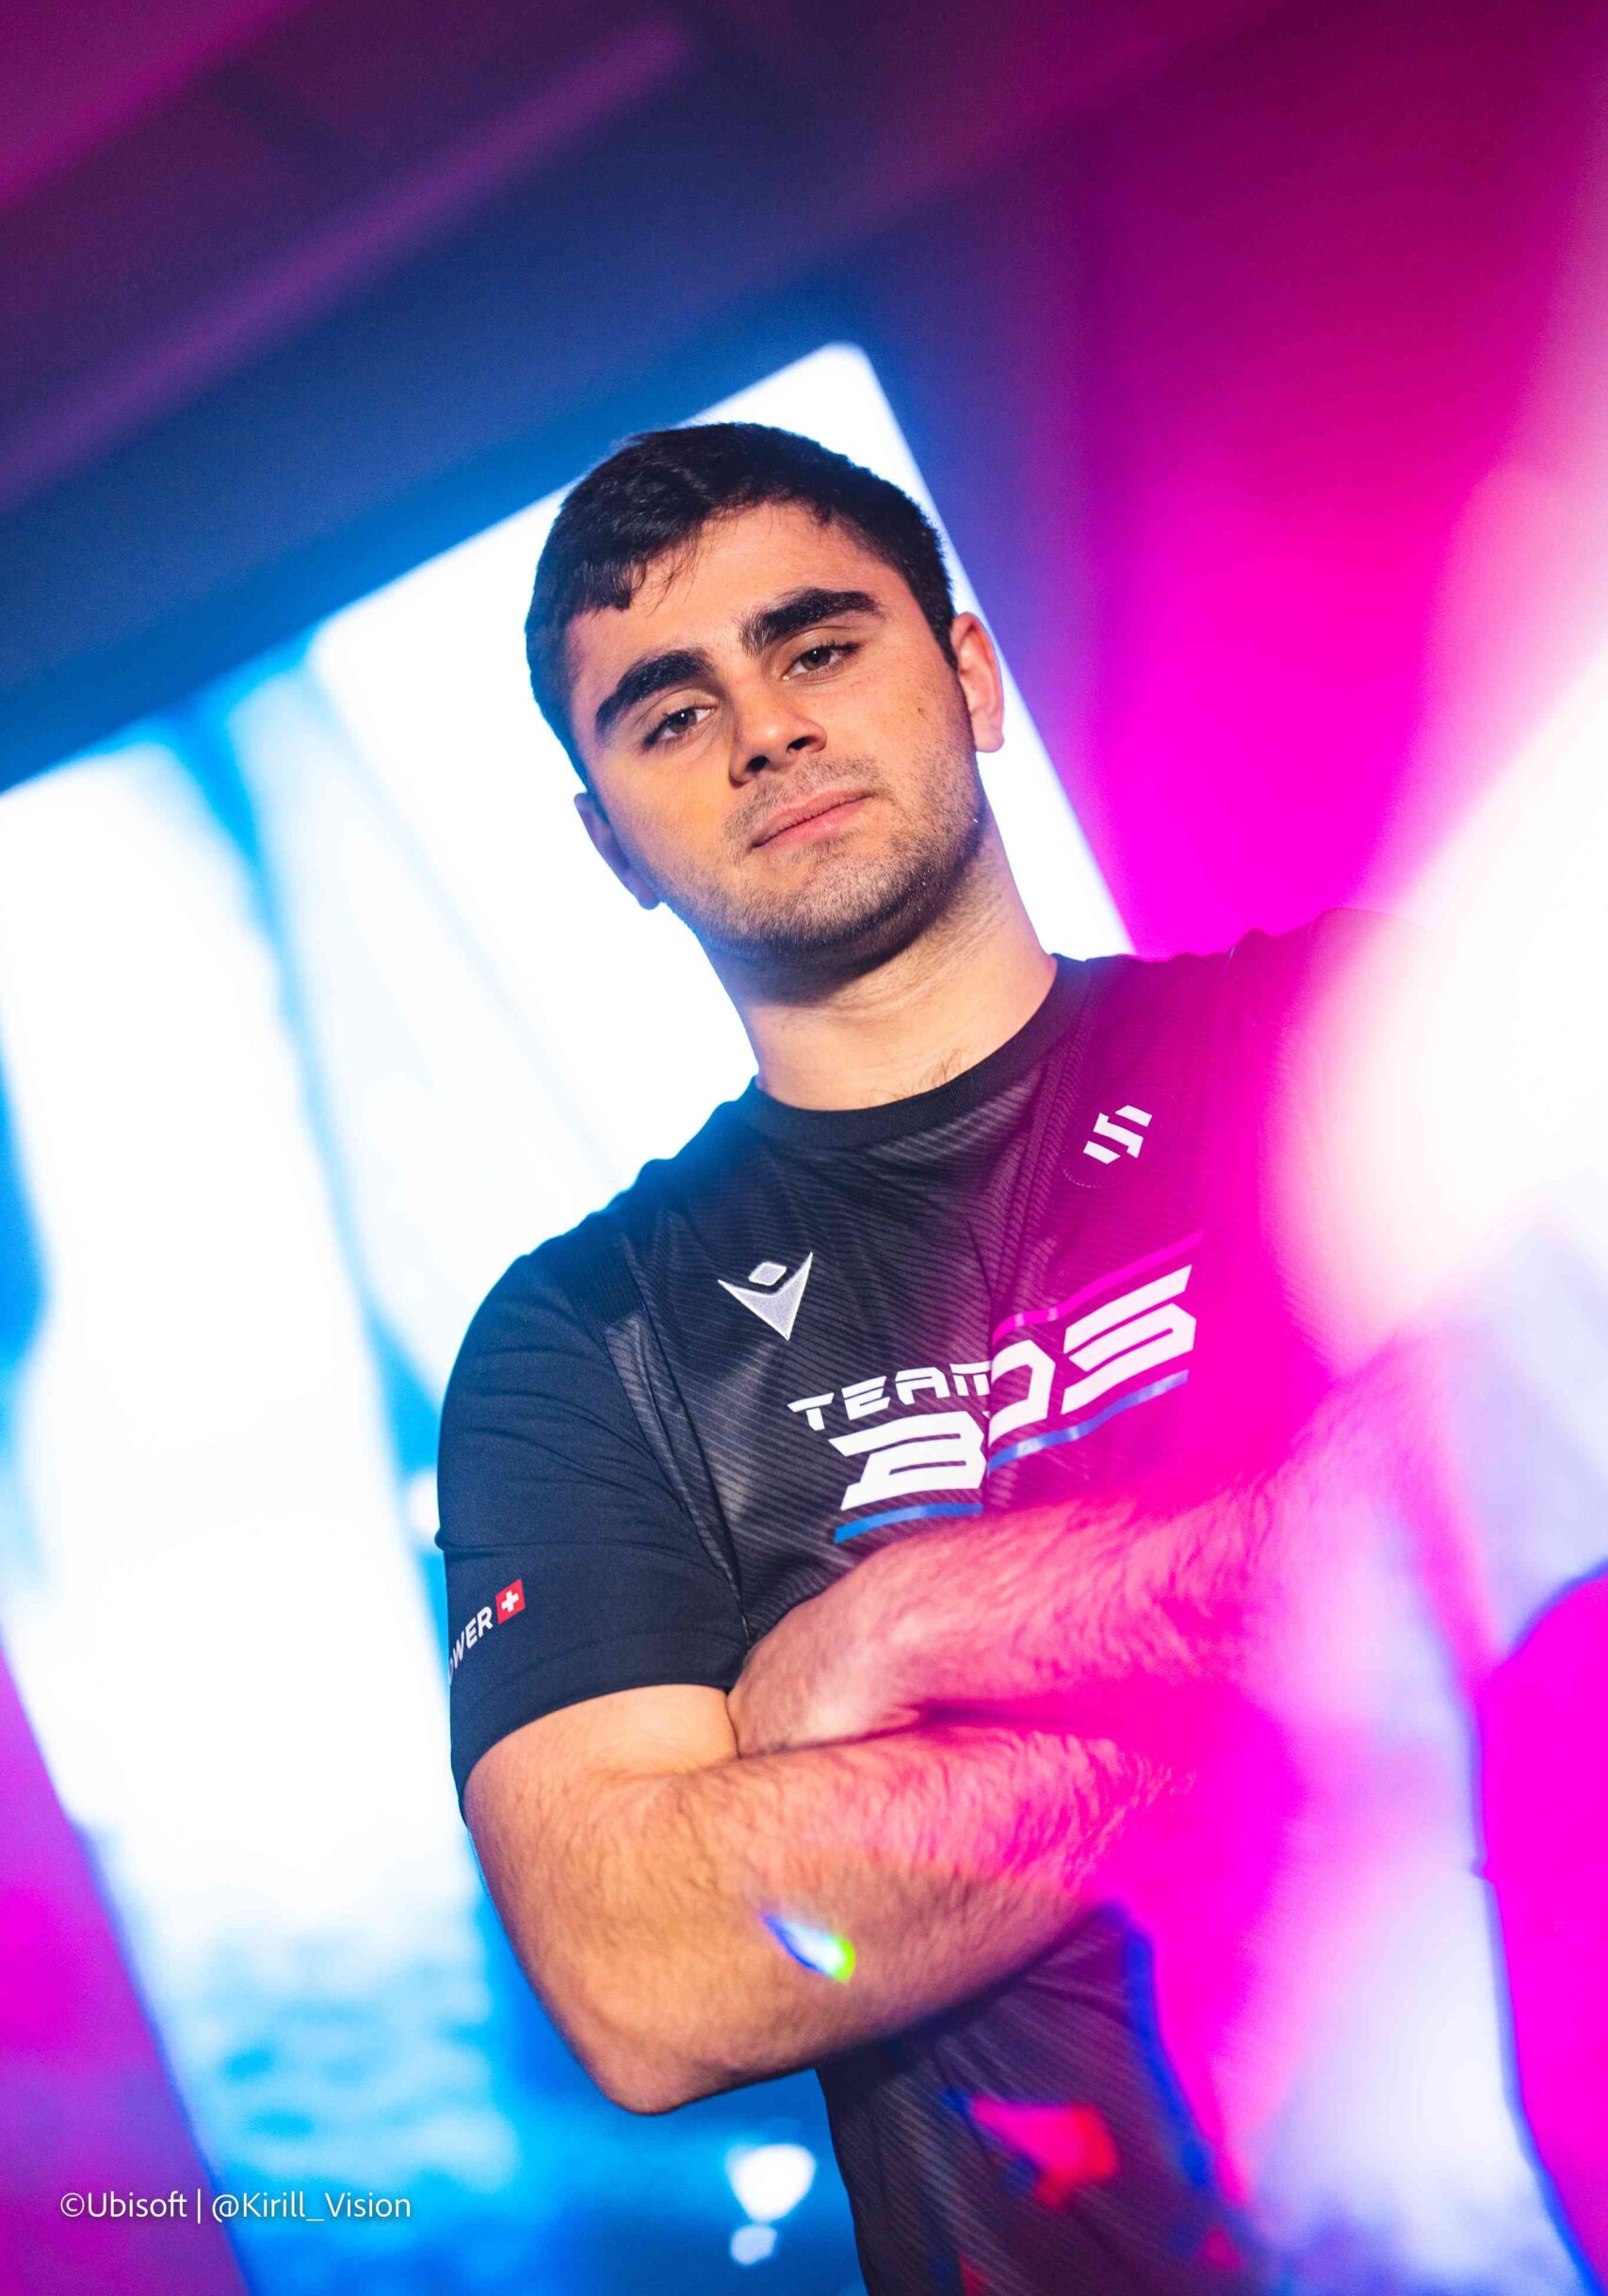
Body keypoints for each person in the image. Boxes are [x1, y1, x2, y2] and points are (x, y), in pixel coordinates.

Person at [434, 421, 1410, 2294]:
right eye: (666, 712)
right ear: (605, 840)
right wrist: (1317, 1593)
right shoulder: (584, 1343)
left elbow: (1542, 1463)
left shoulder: (1339, 1030)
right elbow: (648, 1976)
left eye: (815, 645)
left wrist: (899, 1639)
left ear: (962, 671)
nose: (763, 730)